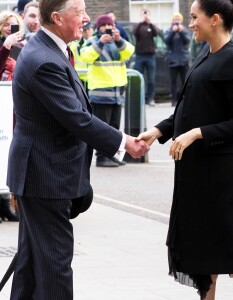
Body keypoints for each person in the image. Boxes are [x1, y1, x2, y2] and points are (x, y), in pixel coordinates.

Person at [6, 0, 149, 298]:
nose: (87, 18)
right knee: (54, 266)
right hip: (44, 175)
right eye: (80, 13)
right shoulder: (44, 59)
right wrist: (124, 142)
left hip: (41, 173)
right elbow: (78, 119)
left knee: (32, 264)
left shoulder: (50, 49)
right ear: (57, 17)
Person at [137, 1, 233, 299]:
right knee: (204, 256)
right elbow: (190, 109)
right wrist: (159, 130)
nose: (190, 24)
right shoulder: (204, 54)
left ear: (214, 19)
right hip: (200, 174)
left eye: (194, 17)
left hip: (222, 179)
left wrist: (196, 134)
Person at [80, 14, 135, 167]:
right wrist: (99, 43)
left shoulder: (118, 43)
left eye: (110, 25)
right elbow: (86, 56)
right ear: (98, 28)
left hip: (117, 93)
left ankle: (110, 155)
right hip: (101, 92)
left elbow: (130, 52)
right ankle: (101, 157)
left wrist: (119, 40)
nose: (108, 28)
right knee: (102, 129)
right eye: (104, 26)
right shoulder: (92, 41)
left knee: (114, 129)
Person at [164, 12, 191, 106]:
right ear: (172, 21)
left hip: (183, 59)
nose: (177, 21)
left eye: (178, 20)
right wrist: (173, 31)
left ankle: (183, 99)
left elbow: (187, 41)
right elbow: (166, 40)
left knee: (184, 81)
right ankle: (174, 101)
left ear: (181, 21)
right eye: (175, 19)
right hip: (173, 60)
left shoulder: (185, 30)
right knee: (173, 82)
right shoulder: (169, 30)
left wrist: (181, 32)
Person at [133, 8, 158, 106]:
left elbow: (156, 33)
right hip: (140, 55)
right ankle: (140, 99)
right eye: (143, 14)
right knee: (139, 78)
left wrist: (150, 22)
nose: (145, 16)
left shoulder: (151, 26)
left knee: (151, 79)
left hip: (150, 56)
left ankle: (150, 98)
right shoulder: (138, 26)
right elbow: (134, 33)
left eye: (147, 14)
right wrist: (140, 22)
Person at [69, 21, 94, 94]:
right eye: (84, 30)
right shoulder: (74, 44)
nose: (86, 32)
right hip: (80, 79)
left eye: (88, 29)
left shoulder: (97, 42)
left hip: (92, 78)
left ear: (92, 29)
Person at [0, 10, 24, 80]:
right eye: (6, 25)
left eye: (13, 25)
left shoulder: (21, 47)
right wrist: (6, 46)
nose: (10, 28)